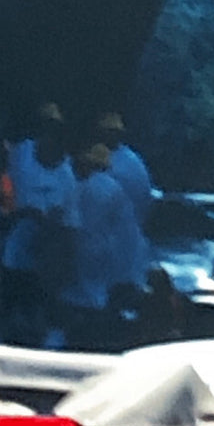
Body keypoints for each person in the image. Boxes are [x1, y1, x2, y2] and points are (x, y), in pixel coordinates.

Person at [58, 143, 148, 349]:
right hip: (107, 253)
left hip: (83, 249)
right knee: (98, 294)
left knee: (83, 294)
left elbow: (70, 223)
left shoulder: (81, 187)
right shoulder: (114, 188)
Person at [2, 102, 79, 346]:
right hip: (15, 253)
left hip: (45, 260)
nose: (50, 137)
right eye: (46, 129)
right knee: (12, 311)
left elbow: (70, 225)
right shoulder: (21, 154)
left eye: (55, 132)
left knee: (39, 314)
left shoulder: (67, 175)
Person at [96, 112, 153, 226]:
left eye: (112, 131)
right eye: (107, 131)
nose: (108, 135)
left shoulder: (131, 162)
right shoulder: (95, 155)